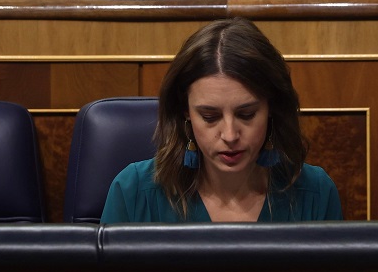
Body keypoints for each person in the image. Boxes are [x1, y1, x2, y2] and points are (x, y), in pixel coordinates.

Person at [100, 17, 343, 223]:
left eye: (246, 114)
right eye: (210, 116)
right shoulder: (133, 192)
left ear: (272, 107)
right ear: (185, 111)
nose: (229, 135)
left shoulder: (316, 193)